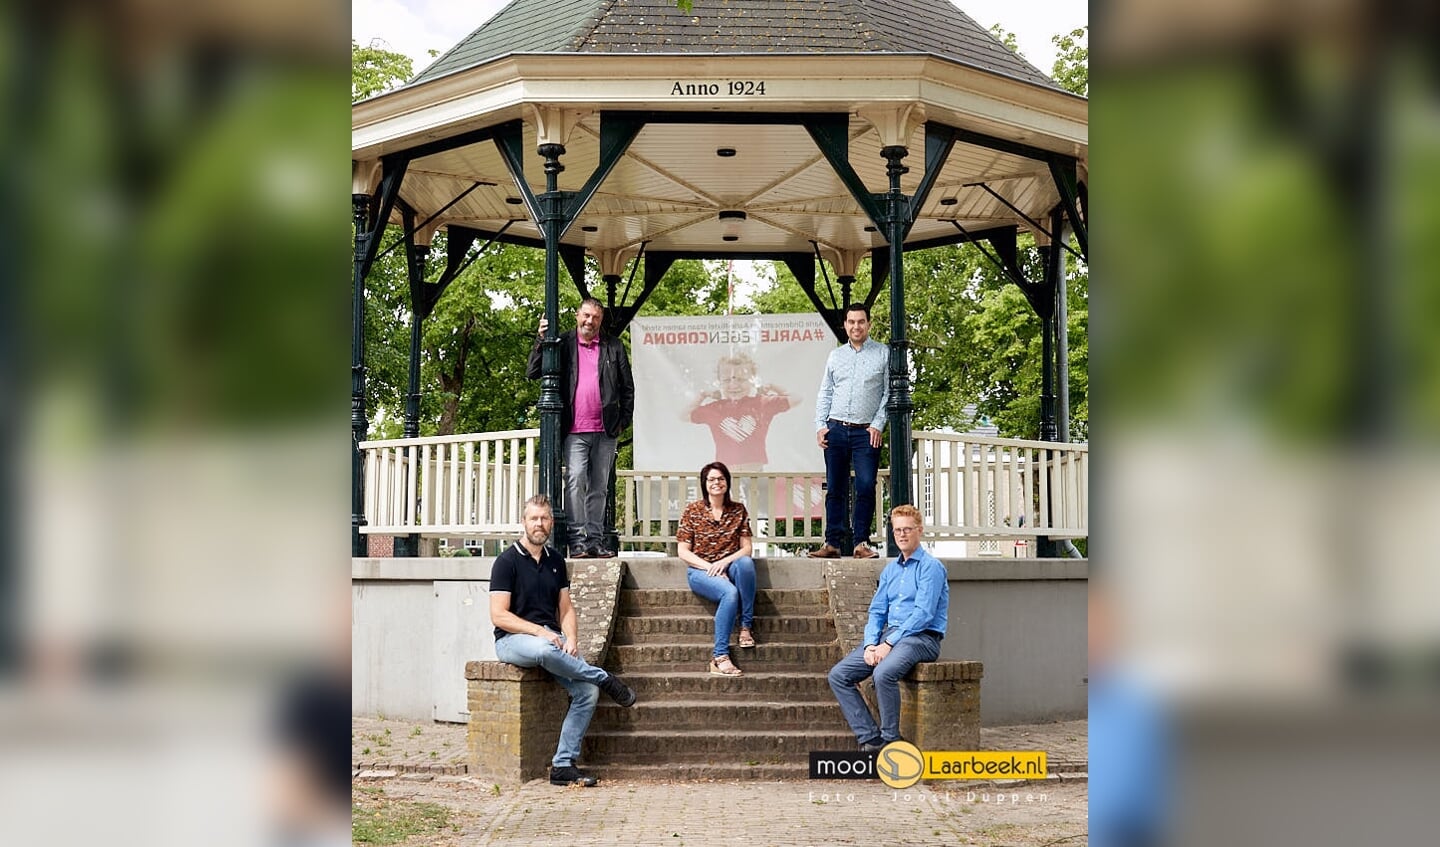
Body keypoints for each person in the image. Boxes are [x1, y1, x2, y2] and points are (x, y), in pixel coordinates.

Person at [489, 495, 637, 787]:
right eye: (534, 518)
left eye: (544, 518)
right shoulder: (506, 562)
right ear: (524, 522)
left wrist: (571, 637)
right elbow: (498, 616)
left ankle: (563, 765)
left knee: (587, 693)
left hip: (552, 641)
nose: (539, 524)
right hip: (512, 641)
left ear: (551, 522)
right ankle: (604, 677)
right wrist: (540, 632)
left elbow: (566, 608)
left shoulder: (556, 560)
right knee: (546, 648)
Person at [827, 504, 947, 751]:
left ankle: (891, 740)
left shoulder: (930, 567)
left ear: (919, 531)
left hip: (922, 638)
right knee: (839, 675)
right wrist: (871, 644)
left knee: (883, 673)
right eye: (897, 531)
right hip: (888, 636)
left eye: (907, 530)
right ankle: (871, 739)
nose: (902, 535)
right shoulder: (891, 570)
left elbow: (923, 614)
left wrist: (888, 644)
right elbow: (877, 611)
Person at [528, 298, 635, 559]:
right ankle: (577, 540)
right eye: (586, 316)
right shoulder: (563, 344)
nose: (590, 321)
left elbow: (627, 388)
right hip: (574, 429)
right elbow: (532, 371)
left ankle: (596, 541)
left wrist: (623, 421)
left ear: (601, 320)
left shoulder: (614, 346)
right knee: (575, 480)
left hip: (606, 430)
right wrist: (541, 340)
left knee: (599, 487)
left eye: (595, 317)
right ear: (577, 316)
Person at [810, 302, 889, 559]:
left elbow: (889, 393)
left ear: (869, 324)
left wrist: (878, 423)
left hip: (866, 432)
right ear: (845, 325)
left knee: (865, 485)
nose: (856, 326)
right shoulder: (836, 356)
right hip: (836, 428)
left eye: (861, 322)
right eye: (851, 322)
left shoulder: (883, 354)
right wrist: (820, 425)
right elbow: (826, 392)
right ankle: (832, 542)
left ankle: (861, 543)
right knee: (835, 487)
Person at [676, 461, 758, 677]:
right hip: (700, 571)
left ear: (727, 482)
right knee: (729, 592)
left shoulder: (738, 510)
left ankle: (746, 626)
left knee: (746, 564)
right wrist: (711, 567)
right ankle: (719, 656)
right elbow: (683, 552)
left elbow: (747, 548)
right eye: (711, 479)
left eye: (721, 479)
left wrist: (724, 563)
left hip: (729, 566)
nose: (716, 483)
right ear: (704, 483)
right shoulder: (693, 510)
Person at [687, 352, 793, 471]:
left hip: (755, 474)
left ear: (752, 380)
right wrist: (703, 395)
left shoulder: (762, 403)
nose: (734, 385)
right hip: (726, 474)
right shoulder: (715, 408)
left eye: (741, 379)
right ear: (719, 381)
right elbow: (686, 414)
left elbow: (794, 398)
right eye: (727, 380)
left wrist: (772, 386)